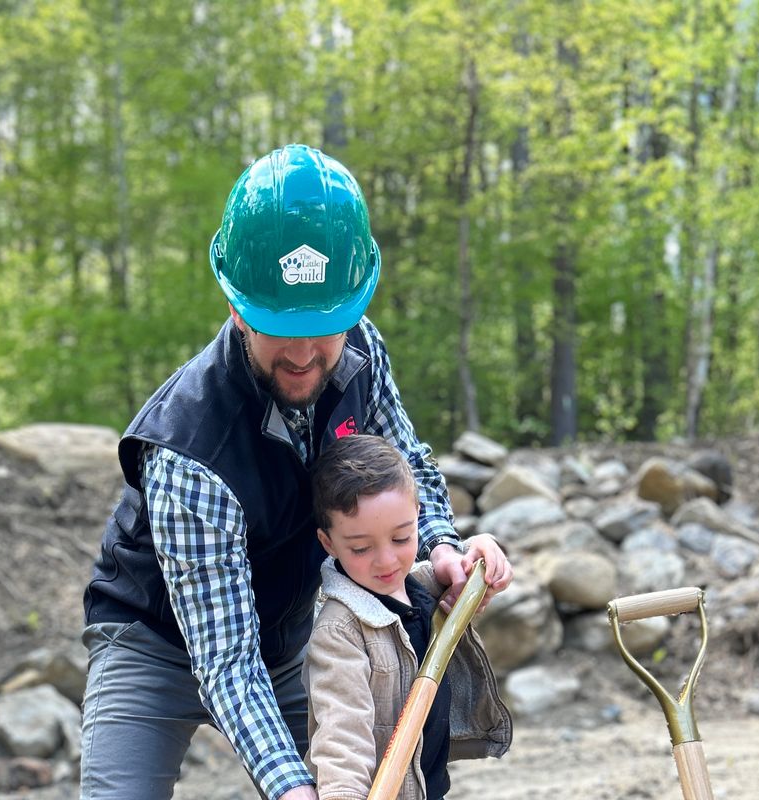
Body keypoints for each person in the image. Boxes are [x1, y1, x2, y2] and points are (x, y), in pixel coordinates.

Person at [80, 143, 513, 800]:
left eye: (326, 326)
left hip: (293, 639)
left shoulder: (361, 348)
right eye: (282, 329)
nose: (306, 354)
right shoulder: (188, 448)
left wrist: (441, 545)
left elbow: (405, 464)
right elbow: (227, 662)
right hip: (154, 644)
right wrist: (290, 789)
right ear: (237, 307)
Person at [305, 434, 513, 800]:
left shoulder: (423, 590)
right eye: (361, 548)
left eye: (401, 538)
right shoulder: (340, 631)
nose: (386, 561)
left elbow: (471, 568)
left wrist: (483, 549)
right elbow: (341, 736)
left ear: (418, 515)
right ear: (328, 543)